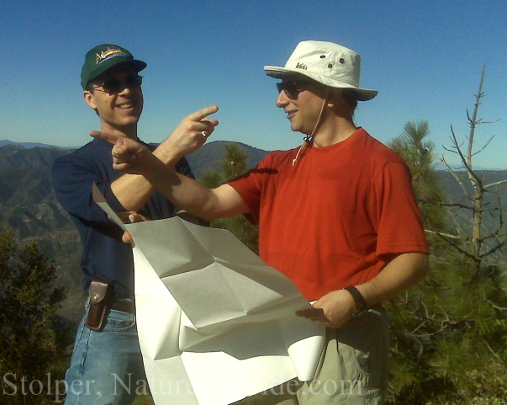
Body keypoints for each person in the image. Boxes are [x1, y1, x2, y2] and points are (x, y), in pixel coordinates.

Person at [94, 40, 430, 404]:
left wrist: (354, 298)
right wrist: (148, 164)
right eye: (279, 88)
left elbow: (413, 259)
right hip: (275, 338)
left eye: (290, 88)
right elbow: (209, 203)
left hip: (344, 337)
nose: (280, 100)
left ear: (330, 93)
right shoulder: (280, 163)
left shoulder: (381, 165)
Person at [51, 44, 217, 405]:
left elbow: (199, 218)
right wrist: (171, 149)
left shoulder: (168, 159)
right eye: (111, 84)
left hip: (178, 318)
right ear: (90, 99)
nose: (125, 90)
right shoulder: (73, 167)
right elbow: (109, 205)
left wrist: (155, 232)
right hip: (115, 322)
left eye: (131, 80)